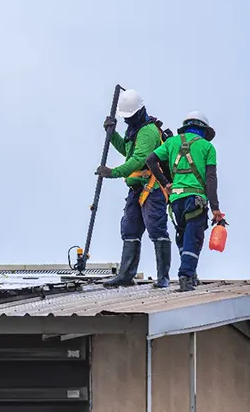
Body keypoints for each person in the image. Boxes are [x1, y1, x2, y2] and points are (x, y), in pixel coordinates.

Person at [95, 89, 173, 288]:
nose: (127, 121)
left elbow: (139, 161)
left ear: (139, 112)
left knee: (156, 229)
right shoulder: (135, 129)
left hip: (152, 189)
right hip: (136, 189)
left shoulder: (147, 131)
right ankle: (126, 275)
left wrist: (112, 172)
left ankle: (163, 277)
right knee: (130, 229)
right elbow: (127, 151)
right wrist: (112, 135)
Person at [146, 111, 224, 292]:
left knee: (182, 236)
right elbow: (211, 179)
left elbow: (151, 160)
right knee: (193, 238)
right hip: (196, 199)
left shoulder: (172, 143)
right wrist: (215, 208)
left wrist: (165, 183)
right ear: (203, 130)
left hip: (176, 201)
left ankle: (191, 273)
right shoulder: (207, 147)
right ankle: (186, 276)